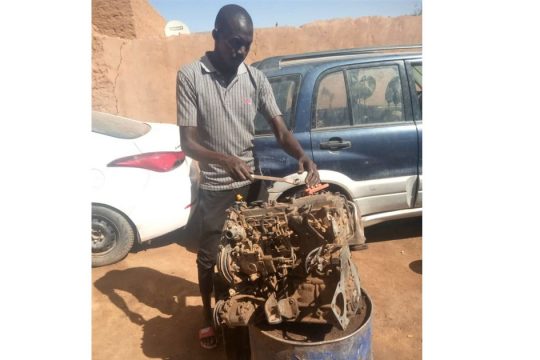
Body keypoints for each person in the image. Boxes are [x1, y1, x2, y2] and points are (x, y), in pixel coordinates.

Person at [176, 4, 320, 352]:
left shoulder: (255, 78)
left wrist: (301, 154)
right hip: (214, 186)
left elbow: (280, 130)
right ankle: (209, 316)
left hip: (250, 183)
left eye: (247, 44)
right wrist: (223, 159)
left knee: (255, 255)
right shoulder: (191, 75)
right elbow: (188, 142)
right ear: (216, 35)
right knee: (210, 260)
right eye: (233, 42)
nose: (240, 51)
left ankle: (247, 311)